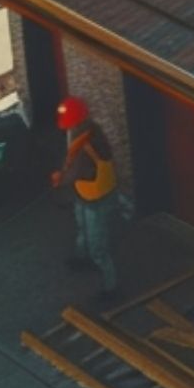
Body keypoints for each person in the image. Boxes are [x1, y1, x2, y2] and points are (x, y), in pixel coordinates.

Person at [51, 96, 121, 300]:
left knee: (98, 245)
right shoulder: (88, 131)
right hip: (86, 193)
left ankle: (112, 288)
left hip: (96, 197)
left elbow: (76, 170)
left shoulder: (85, 143)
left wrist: (59, 179)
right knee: (83, 227)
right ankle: (83, 257)